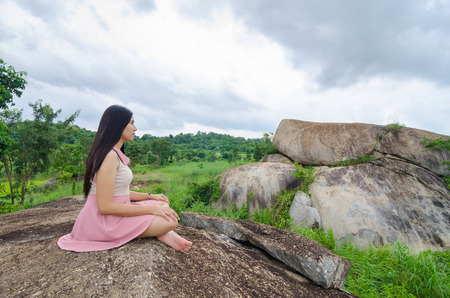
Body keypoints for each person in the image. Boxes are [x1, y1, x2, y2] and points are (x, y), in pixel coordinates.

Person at [58, 105, 192, 252]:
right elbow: (105, 207)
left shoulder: (113, 154)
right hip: (105, 222)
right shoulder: (109, 157)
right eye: (131, 123)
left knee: (162, 204)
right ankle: (162, 233)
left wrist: (150, 196)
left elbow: (120, 192)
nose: (135, 128)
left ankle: (160, 232)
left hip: (117, 214)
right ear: (118, 125)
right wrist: (152, 210)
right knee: (170, 220)